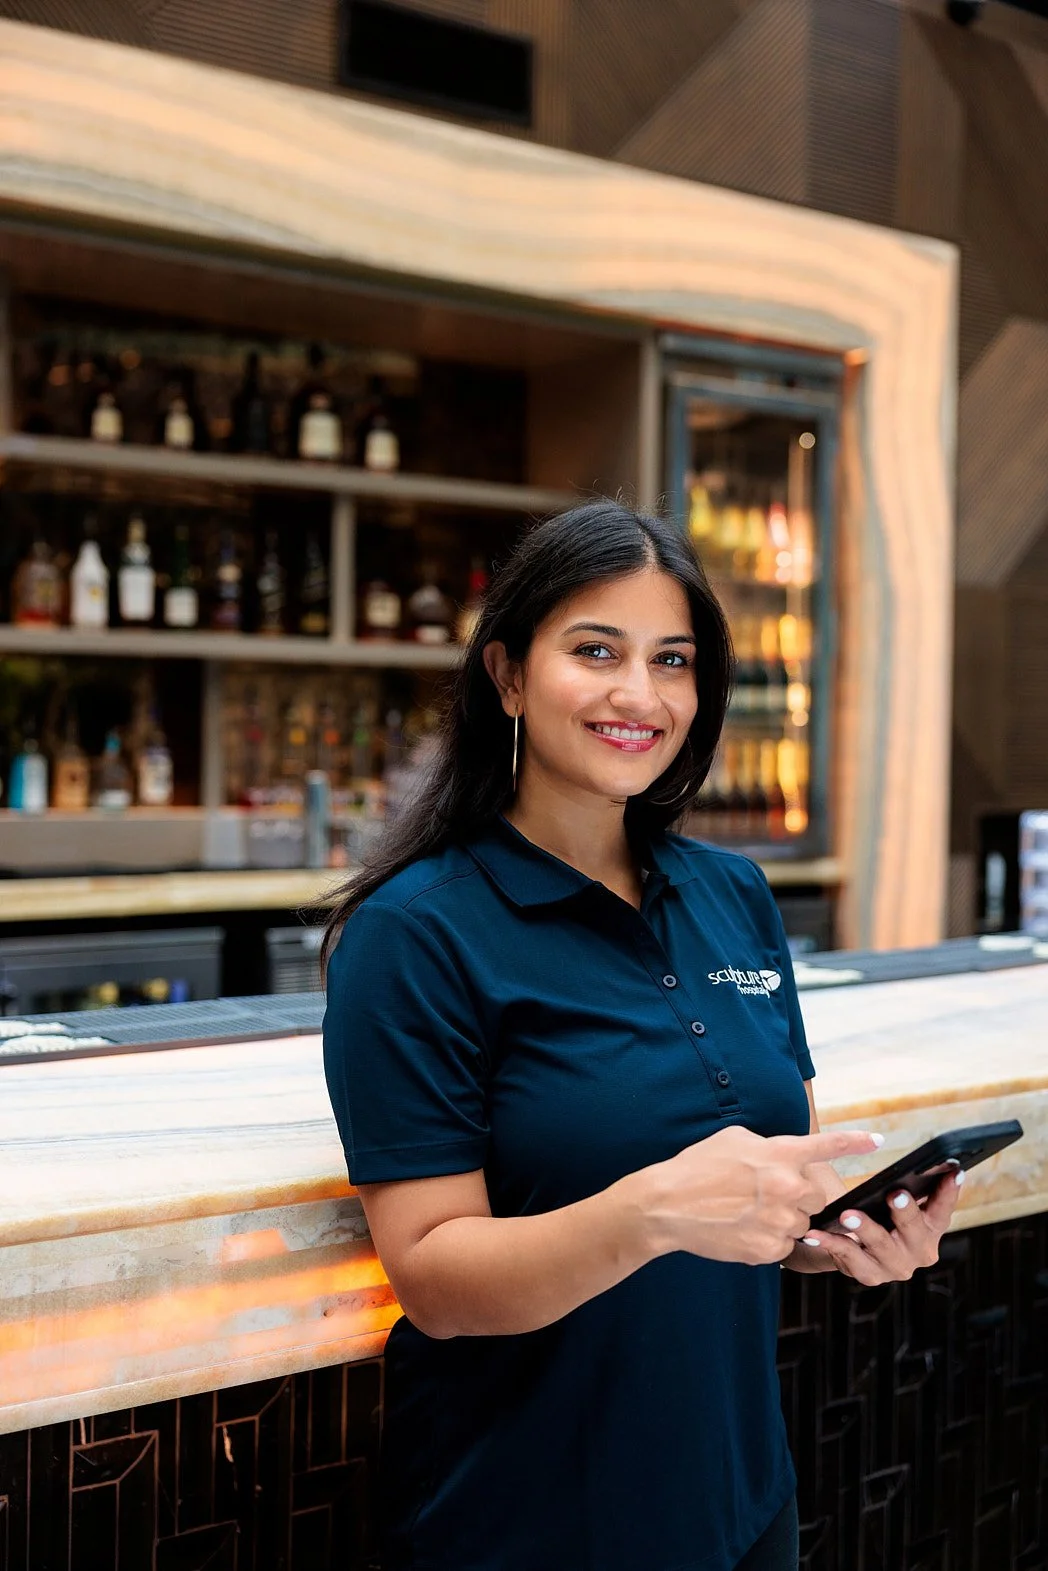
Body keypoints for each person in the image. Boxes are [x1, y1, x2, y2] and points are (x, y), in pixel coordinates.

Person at [321, 500, 961, 1571]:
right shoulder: (412, 930)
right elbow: (432, 1274)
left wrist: (831, 1238)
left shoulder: (734, 894)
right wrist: (649, 1210)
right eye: (596, 651)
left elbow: (759, 1183)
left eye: (672, 658)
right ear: (508, 675)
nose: (640, 694)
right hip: (524, 1522)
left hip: (738, 1498)